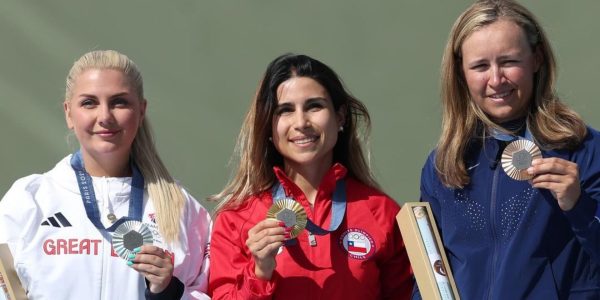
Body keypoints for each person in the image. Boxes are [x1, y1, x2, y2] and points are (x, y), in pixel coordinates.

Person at [419, 0, 600, 299]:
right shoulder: (445, 165)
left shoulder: (584, 151)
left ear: (537, 59)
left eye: (509, 61)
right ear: (461, 73)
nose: (495, 79)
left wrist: (579, 206)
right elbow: (428, 275)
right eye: (480, 66)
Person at [0, 50, 211, 299]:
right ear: (69, 113)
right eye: (89, 103)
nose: (105, 117)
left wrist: (168, 292)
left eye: (119, 102)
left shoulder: (182, 209)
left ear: (141, 111)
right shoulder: (29, 200)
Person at [208, 53, 412, 299]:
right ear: (269, 127)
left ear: (340, 116)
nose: (301, 122)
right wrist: (260, 271)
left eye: (314, 106)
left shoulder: (381, 212)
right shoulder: (236, 218)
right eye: (285, 110)